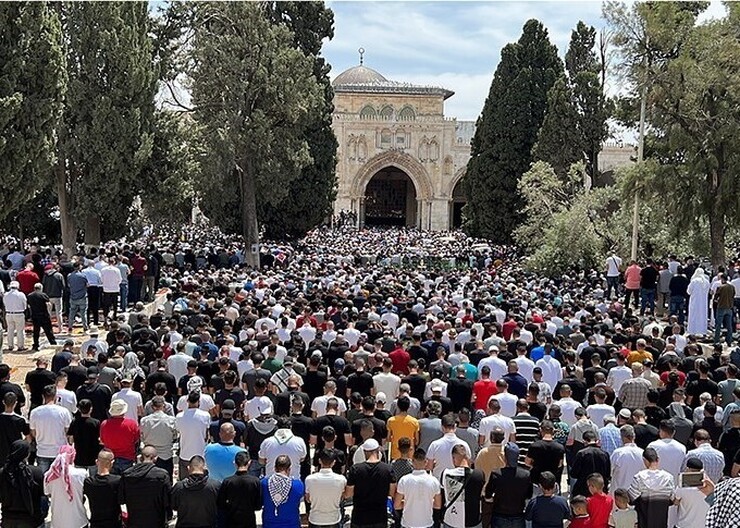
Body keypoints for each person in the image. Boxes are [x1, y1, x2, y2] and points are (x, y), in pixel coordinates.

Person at [346, 438, 397, 528]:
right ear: (378, 451)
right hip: (379, 517)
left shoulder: (355, 469)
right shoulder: (387, 469)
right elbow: (392, 493)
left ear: (365, 452)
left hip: (359, 517)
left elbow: (349, 493)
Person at [119, 445, 172, 528]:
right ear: (155, 458)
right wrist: (169, 516)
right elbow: (168, 500)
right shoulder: (162, 475)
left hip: (134, 521)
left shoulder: (127, 474)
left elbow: (121, 499)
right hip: (156, 521)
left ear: (140, 458)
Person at [484, 442, 532, 528]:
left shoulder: (496, 474)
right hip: (518, 515)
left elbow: (488, 495)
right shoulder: (526, 475)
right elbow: (529, 495)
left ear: (505, 457)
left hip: (499, 515)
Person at [0, 440, 46, 528]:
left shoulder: (3, 473)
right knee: (44, 500)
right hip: (31, 520)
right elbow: (43, 494)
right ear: (27, 454)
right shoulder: (36, 472)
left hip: (8, 519)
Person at [627, 447, 675, 528]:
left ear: (644, 460)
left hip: (644, 522)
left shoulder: (639, 477)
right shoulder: (669, 478)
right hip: (661, 522)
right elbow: (673, 499)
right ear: (658, 459)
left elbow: (631, 498)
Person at [29, 384, 73, 473]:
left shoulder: (34, 412)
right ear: (56, 396)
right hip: (59, 452)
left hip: (42, 451)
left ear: (43, 396)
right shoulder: (64, 412)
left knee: (43, 481)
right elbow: (67, 431)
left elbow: (33, 432)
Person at [395, 447, 442, 528]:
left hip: (407, 524)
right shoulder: (434, 481)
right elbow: (438, 505)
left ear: (412, 461)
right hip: (427, 523)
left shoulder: (404, 480)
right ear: (426, 462)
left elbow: (396, 505)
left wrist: (406, 503)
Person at [440, 444, 485, 528]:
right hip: (473, 521)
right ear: (467, 458)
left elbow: (442, 497)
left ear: (453, 458)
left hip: (451, 520)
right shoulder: (479, 475)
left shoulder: (445, 474)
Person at [43, 445, 88, 528]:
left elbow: (47, 493)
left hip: (58, 522)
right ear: (73, 456)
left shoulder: (49, 476)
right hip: (78, 521)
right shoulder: (82, 474)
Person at [171, 455, 220, 528]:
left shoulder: (179, 487)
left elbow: (173, 506)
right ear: (204, 468)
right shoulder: (215, 486)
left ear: (188, 468)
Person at [217, 451, 262, 528]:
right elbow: (258, 506)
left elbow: (220, 504)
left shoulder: (227, 481)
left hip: (231, 521)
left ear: (234, 463)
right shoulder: (255, 481)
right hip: (249, 522)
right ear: (249, 463)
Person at [305, 449, 348, 528]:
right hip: (333, 519)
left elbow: (308, 499)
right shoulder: (341, 479)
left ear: (319, 461)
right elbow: (343, 496)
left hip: (315, 519)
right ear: (333, 463)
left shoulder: (309, 479)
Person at [140, 395, 178, 479]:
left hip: (149, 456)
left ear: (152, 407)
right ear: (164, 406)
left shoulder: (144, 421)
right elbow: (175, 436)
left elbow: (141, 436)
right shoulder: (171, 420)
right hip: (166, 455)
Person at [176, 390, 212, 479]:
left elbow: (178, 431)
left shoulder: (179, 416)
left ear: (187, 401)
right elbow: (206, 435)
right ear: (199, 402)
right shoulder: (206, 415)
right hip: (200, 453)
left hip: (185, 453)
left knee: (184, 481)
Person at [261, 455, 304, 528]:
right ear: (289, 469)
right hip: (292, 524)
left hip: (269, 524)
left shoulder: (263, 483)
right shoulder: (298, 485)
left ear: (274, 468)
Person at [84, 448, 123, 528]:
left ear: (96, 462)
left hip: (96, 523)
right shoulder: (117, 481)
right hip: (114, 523)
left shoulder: (89, 482)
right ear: (112, 463)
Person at [100, 399, 140, 474]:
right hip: (127, 457)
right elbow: (136, 439)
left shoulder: (104, 424)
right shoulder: (132, 424)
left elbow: (102, 440)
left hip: (110, 458)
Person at [427, 413, 471, 480]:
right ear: (455, 426)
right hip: (457, 483)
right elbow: (468, 465)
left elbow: (429, 467)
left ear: (442, 427)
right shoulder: (464, 445)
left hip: (439, 481)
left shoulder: (434, 445)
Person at [68, 399, 102, 475]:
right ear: (91, 409)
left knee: (79, 479)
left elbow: (70, 439)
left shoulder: (75, 422)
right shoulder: (96, 422)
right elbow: (99, 438)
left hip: (79, 456)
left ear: (79, 409)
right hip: (93, 456)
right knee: (92, 478)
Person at [673, 457, 709, 528]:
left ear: (688, 469)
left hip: (684, 525)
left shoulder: (682, 485)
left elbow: (676, 502)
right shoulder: (708, 485)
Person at [0, 392, 30, 467]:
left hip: (2, 454)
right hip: (16, 453)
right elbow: (28, 436)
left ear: (3, 402)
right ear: (16, 403)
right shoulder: (20, 420)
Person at [28, 282, 56, 351]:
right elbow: (48, 304)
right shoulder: (43, 295)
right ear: (41, 288)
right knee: (48, 331)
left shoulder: (30, 295)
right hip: (44, 315)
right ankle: (53, 343)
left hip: (35, 316)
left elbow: (28, 306)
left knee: (36, 331)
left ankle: (36, 345)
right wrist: (49, 313)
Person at [4, 281, 27, 352]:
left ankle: (10, 345)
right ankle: (20, 346)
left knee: (10, 330)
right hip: (19, 314)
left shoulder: (6, 294)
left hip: (8, 314)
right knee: (20, 330)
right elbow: (25, 305)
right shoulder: (21, 294)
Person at [687, 268, 710, 336]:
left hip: (694, 302)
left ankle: (692, 331)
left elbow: (688, 291)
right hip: (703, 303)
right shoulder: (706, 282)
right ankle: (702, 331)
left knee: (693, 316)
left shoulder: (694, 281)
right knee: (702, 316)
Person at [714, 273, 735, 346]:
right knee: (729, 326)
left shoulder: (720, 287)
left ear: (722, 279)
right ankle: (729, 341)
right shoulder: (732, 287)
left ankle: (716, 341)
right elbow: (733, 295)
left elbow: (715, 298)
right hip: (729, 307)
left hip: (721, 307)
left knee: (718, 325)